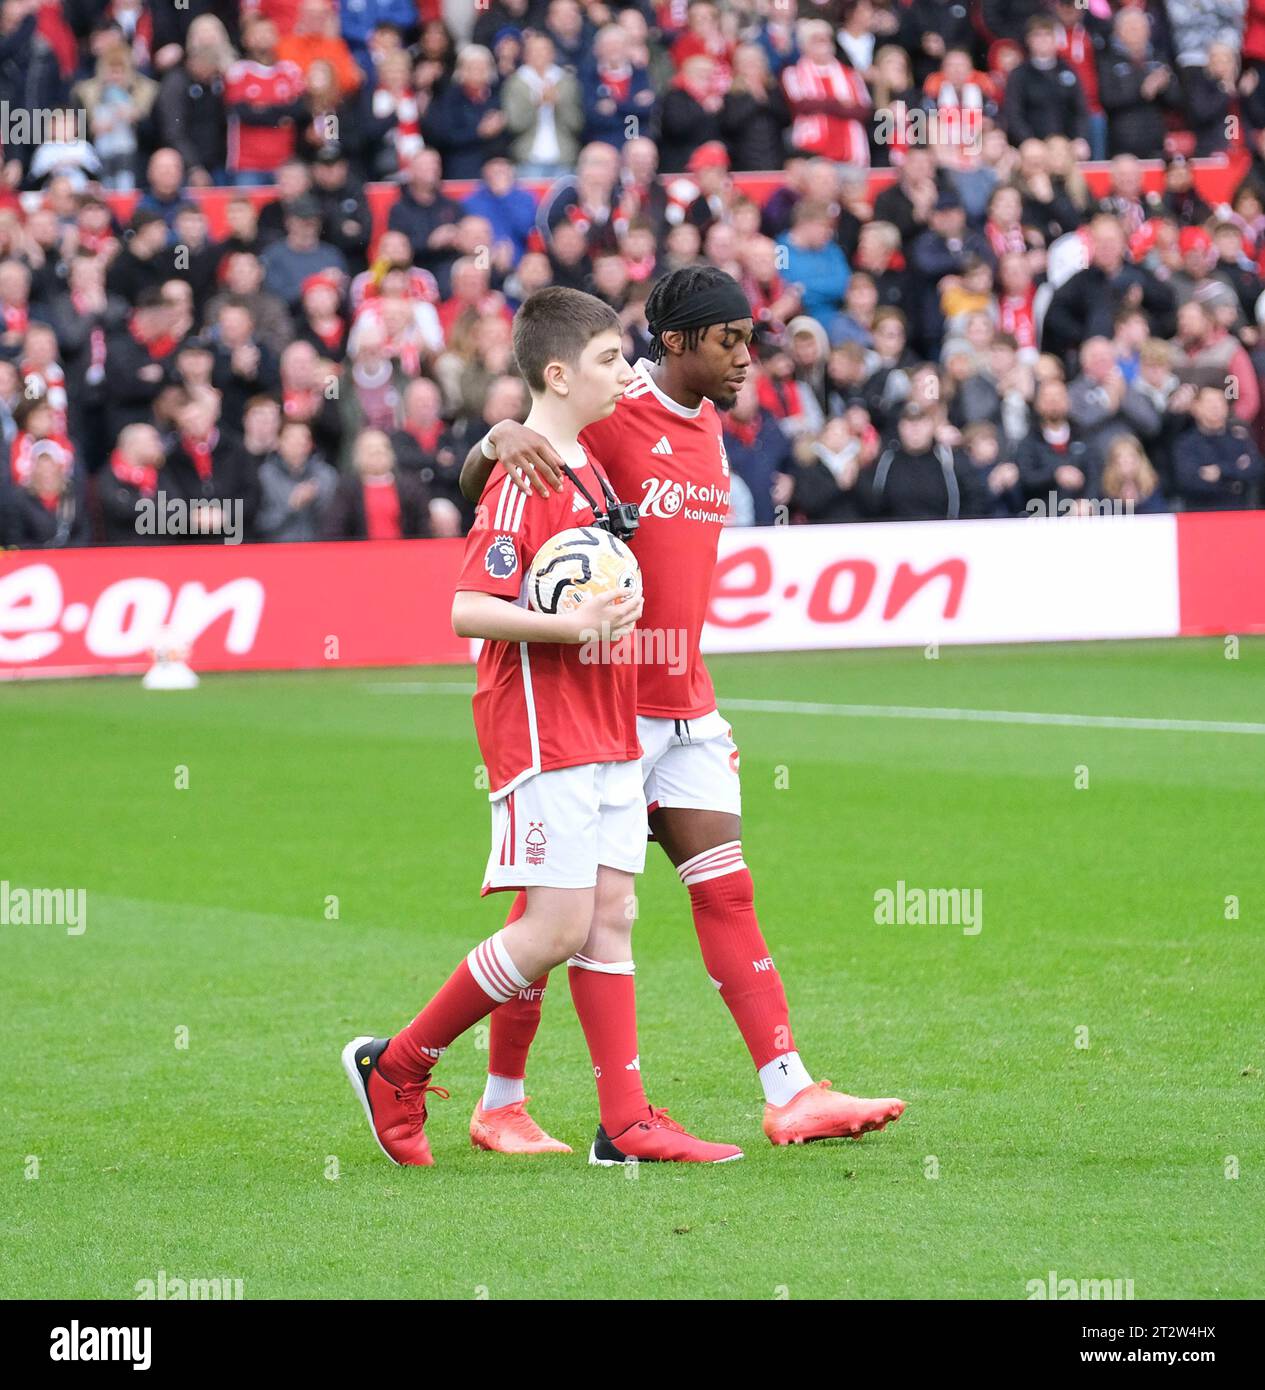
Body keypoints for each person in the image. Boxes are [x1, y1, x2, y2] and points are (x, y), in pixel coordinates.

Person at [459, 267, 905, 1152]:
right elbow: (493, 473)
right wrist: (497, 435)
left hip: (686, 699)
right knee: (558, 918)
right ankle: (503, 1100)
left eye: (750, 340)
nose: (747, 359)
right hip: (604, 703)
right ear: (675, 344)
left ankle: (790, 1091)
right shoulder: (612, 406)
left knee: (724, 891)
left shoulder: (714, 431)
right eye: (729, 341)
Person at [344, 286, 743, 1168]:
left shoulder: (587, 464)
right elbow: (466, 610)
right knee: (556, 928)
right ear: (559, 374)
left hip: (606, 723)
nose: (627, 372)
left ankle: (627, 1121)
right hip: (544, 726)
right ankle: (397, 1066)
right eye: (609, 361)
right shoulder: (524, 480)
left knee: (612, 915)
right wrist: (573, 626)